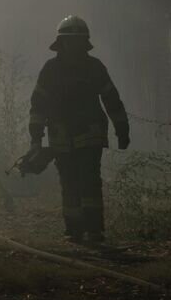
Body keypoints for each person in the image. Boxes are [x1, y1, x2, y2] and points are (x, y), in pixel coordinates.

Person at [28, 15, 129, 243]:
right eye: (70, 41)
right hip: (61, 137)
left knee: (89, 182)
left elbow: (111, 99)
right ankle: (74, 231)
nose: (74, 46)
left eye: (78, 41)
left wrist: (122, 129)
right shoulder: (51, 69)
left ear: (85, 42)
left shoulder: (94, 67)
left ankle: (93, 231)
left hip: (89, 135)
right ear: (61, 43)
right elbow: (38, 104)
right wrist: (36, 137)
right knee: (69, 184)